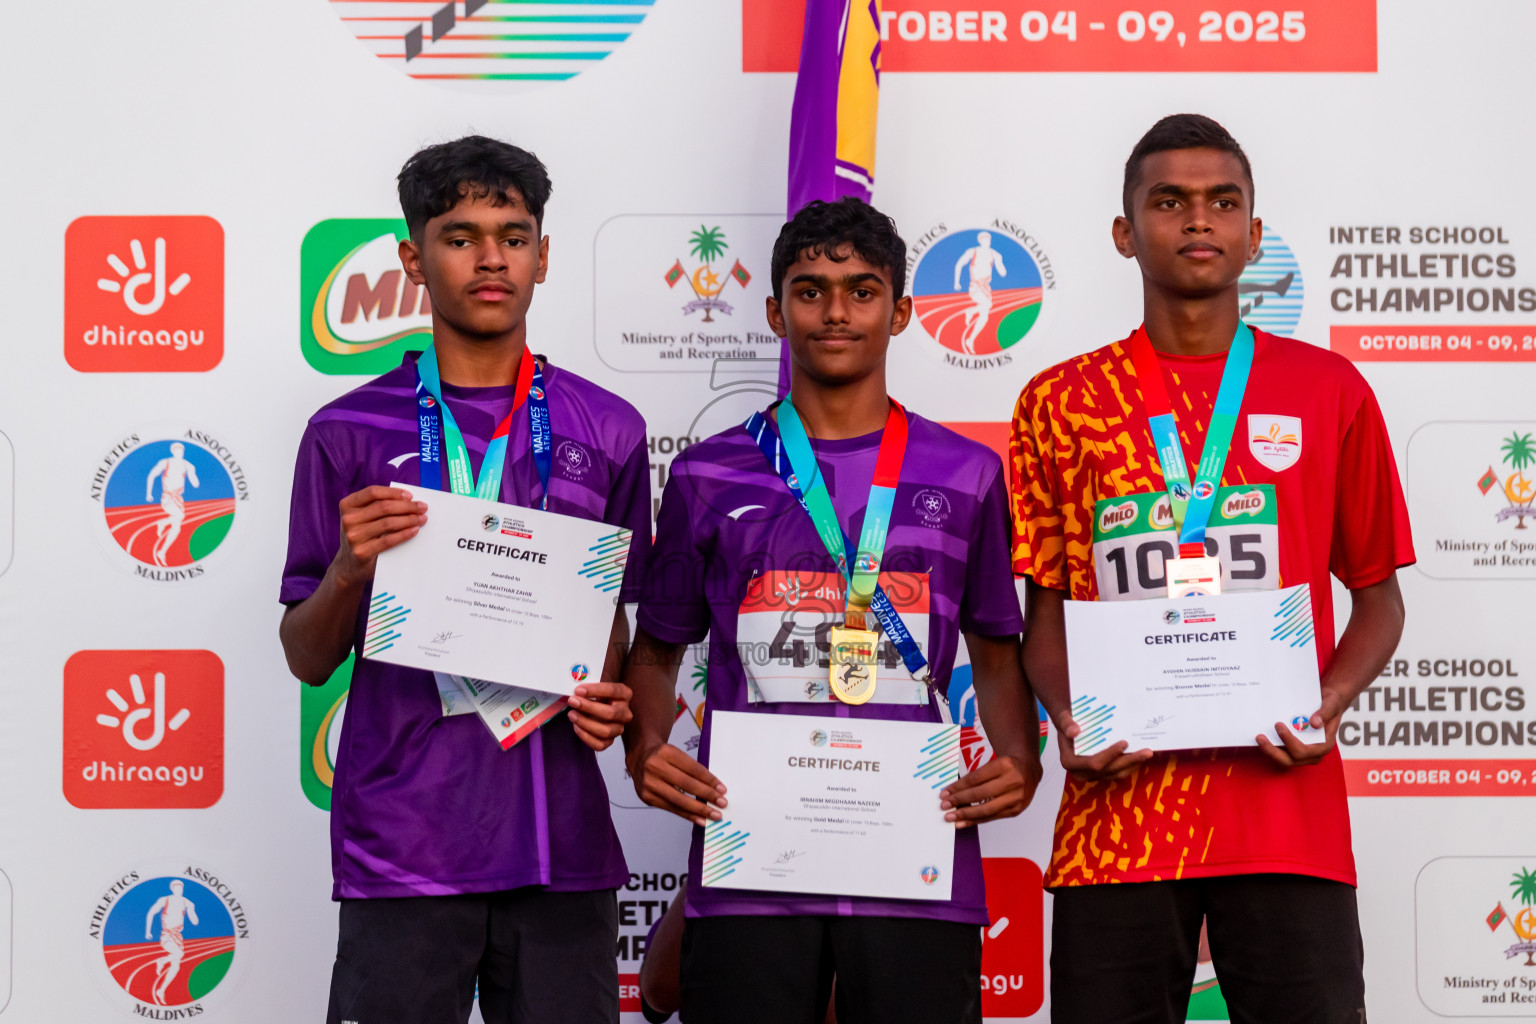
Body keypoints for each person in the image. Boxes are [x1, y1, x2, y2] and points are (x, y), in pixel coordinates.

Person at [1009, 113, 1413, 1023]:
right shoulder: (1060, 402)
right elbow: (1043, 616)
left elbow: (1380, 601)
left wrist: (1327, 703)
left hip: (1285, 820)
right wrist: (1071, 716)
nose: (1199, 221)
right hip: (1119, 822)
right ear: (1125, 232)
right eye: (1170, 201)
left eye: (1222, 202)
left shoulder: (1329, 389)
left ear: (1254, 234)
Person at [624, 196, 1041, 1024]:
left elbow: (997, 652)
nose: (836, 311)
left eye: (861, 289)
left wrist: (1022, 760)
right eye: (811, 290)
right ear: (777, 311)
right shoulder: (710, 475)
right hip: (751, 856)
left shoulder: (966, 472)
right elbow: (656, 650)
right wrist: (644, 746)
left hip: (914, 851)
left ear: (902, 312)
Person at [278, 135, 651, 1024]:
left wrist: (610, 694)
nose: (492, 258)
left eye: (514, 235)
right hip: (404, 845)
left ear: (544, 255)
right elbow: (305, 654)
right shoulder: (347, 430)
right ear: (413, 257)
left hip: (559, 844)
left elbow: (613, 627)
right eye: (460, 235)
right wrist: (348, 570)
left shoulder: (609, 427)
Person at [145, 879, 198, 1006]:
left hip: (178, 937)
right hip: (167, 935)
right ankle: (162, 961)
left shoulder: (187, 902)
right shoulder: (165, 900)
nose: (179, 890)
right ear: (172, 889)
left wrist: (192, 909)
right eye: (177, 888)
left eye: (181, 888)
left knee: (176, 967)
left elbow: (195, 921)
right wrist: (148, 931)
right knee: (179, 954)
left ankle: (161, 990)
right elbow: (151, 913)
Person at [952, 230, 1006, 355]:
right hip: (975, 286)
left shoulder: (994, 254)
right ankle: (970, 311)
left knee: (984, 317)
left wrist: (999, 260)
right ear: (980, 240)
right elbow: (959, 265)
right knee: (987, 305)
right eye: (984, 239)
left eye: (988, 239)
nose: (986, 241)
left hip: (986, 288)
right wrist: (956, 282)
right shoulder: (973, 251)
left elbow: (1002, 272)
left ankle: (970, 340)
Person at [146, 442, 199, 567]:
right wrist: (149, 493)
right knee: (180, 516)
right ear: (173, 451)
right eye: (177, 450)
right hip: (168, 497)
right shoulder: (165, 462)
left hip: (178, 499)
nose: (179, 452)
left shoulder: (187, 465)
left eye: (181, 450)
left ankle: (162, 552)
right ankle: (162, 523)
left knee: (176, 528)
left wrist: (192, 472)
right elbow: (151, 476)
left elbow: (195, 484)